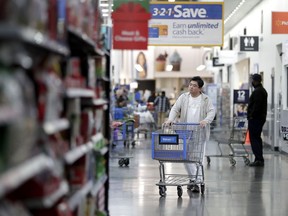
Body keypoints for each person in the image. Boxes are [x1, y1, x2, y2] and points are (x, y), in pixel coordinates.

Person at [164, 76, 215, 192]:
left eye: (194, 85)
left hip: (200, 132)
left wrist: (206, 121)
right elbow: (175, 109)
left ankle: (197, 181)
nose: (191, 87)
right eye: (190, 85)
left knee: (199, 159)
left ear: (200, 88)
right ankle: (194, 179)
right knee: (185, 156)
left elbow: (212, 112)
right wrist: (170, 119)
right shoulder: (184, 97)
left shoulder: (206, 99)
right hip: (186, 132)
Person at [247, 74, 267, 167]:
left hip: (256, 119)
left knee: (254, 138)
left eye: (252, 80)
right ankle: (259, 158)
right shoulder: (261, 90)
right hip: (259, 118)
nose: (252, 82)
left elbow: (257, 106)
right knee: (257, 138)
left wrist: (251, 116)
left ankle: (258, 159)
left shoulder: (258, 91)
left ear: (255, 81)